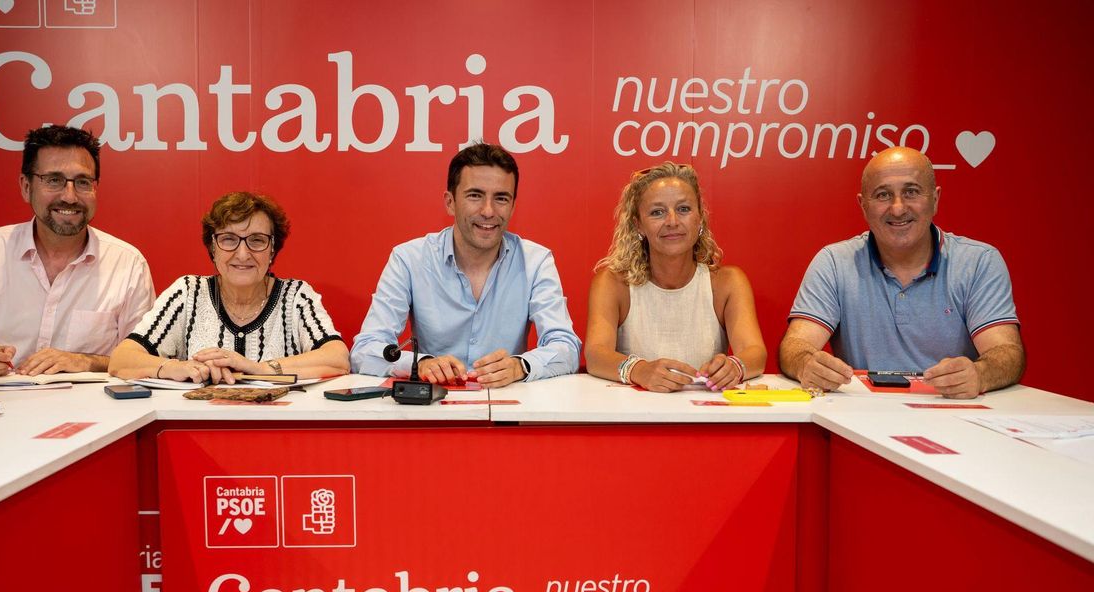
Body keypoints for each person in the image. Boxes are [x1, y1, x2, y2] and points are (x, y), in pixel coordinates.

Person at [779, 146, 1024, 399]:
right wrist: (806, 364)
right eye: (883, 195)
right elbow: (795, 346)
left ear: (935, 199)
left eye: (911, 192)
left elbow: (1006, 351)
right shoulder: (833, 262)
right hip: (861, 418)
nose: (897, 208)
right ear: (863, 205)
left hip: (955, 416)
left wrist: (981, 373)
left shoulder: (979, 262)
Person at [0, 126, 155, 382]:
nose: (69, 197)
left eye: (82, 182)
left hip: (94, 416)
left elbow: (144, 360)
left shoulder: (127, 263)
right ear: (26, 186)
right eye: (54, 180)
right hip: (0, 412)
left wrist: (84, 361)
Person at [351, 142, 581, 387]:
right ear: (450, 202)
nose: (488, 211)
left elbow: (566, 347)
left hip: (508, 408)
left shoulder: (536, 261)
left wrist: (520, 366)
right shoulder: (409, 259)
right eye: (475, 195)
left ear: (513, 206)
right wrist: (419, 363)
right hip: (432, 410)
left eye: (501, 198)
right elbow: (365, 349)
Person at [108, 192, 349, 384]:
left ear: (272, 248)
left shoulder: (296, 295)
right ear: (212, 247)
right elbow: (122, 359)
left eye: (257, 240)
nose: (242, 254)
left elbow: (337, 358)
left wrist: (260, 369)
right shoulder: (188, 292)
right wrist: (177, 368)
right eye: (228, 239)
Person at [585, 162, 766, 392]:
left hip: (706, 417)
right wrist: (639, 370)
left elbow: (755, 352)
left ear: (699, 218)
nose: (672, 221)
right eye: (657, 212)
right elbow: (595, 354)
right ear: (638, 225)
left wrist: (735, 366)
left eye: (683, 209)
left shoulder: (729, 282)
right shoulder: (612, 283)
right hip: (634, 419)